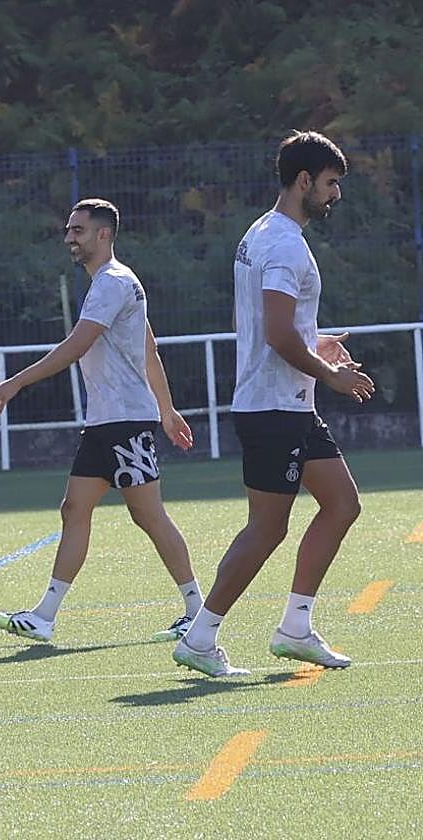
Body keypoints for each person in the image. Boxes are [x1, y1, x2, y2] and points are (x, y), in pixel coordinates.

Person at [174, 132, 374, 677]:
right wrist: (330, 372)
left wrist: (317, 345)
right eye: (331, 183)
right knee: (267, 528)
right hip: (273, 407)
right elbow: (278, 335)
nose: (335, 194)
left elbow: (276, 328)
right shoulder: (284, 244)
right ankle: (200, 637)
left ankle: (295, 628)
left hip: (289, 404)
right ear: (304, 180)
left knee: (342, 504)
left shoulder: (260, 232)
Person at [0, 199, 202, 644]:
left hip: (124, 422)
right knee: (75, 509)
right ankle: (45, 615)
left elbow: (75, 346)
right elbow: (149, 349)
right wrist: (167, 408)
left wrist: (16, 383)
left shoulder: (113, 283)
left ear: (104, 235)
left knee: (148, 515)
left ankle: (198, 610)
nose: (69, 237)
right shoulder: (111, 283)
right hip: (106, 421)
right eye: (69, 229)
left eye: (78, 230)